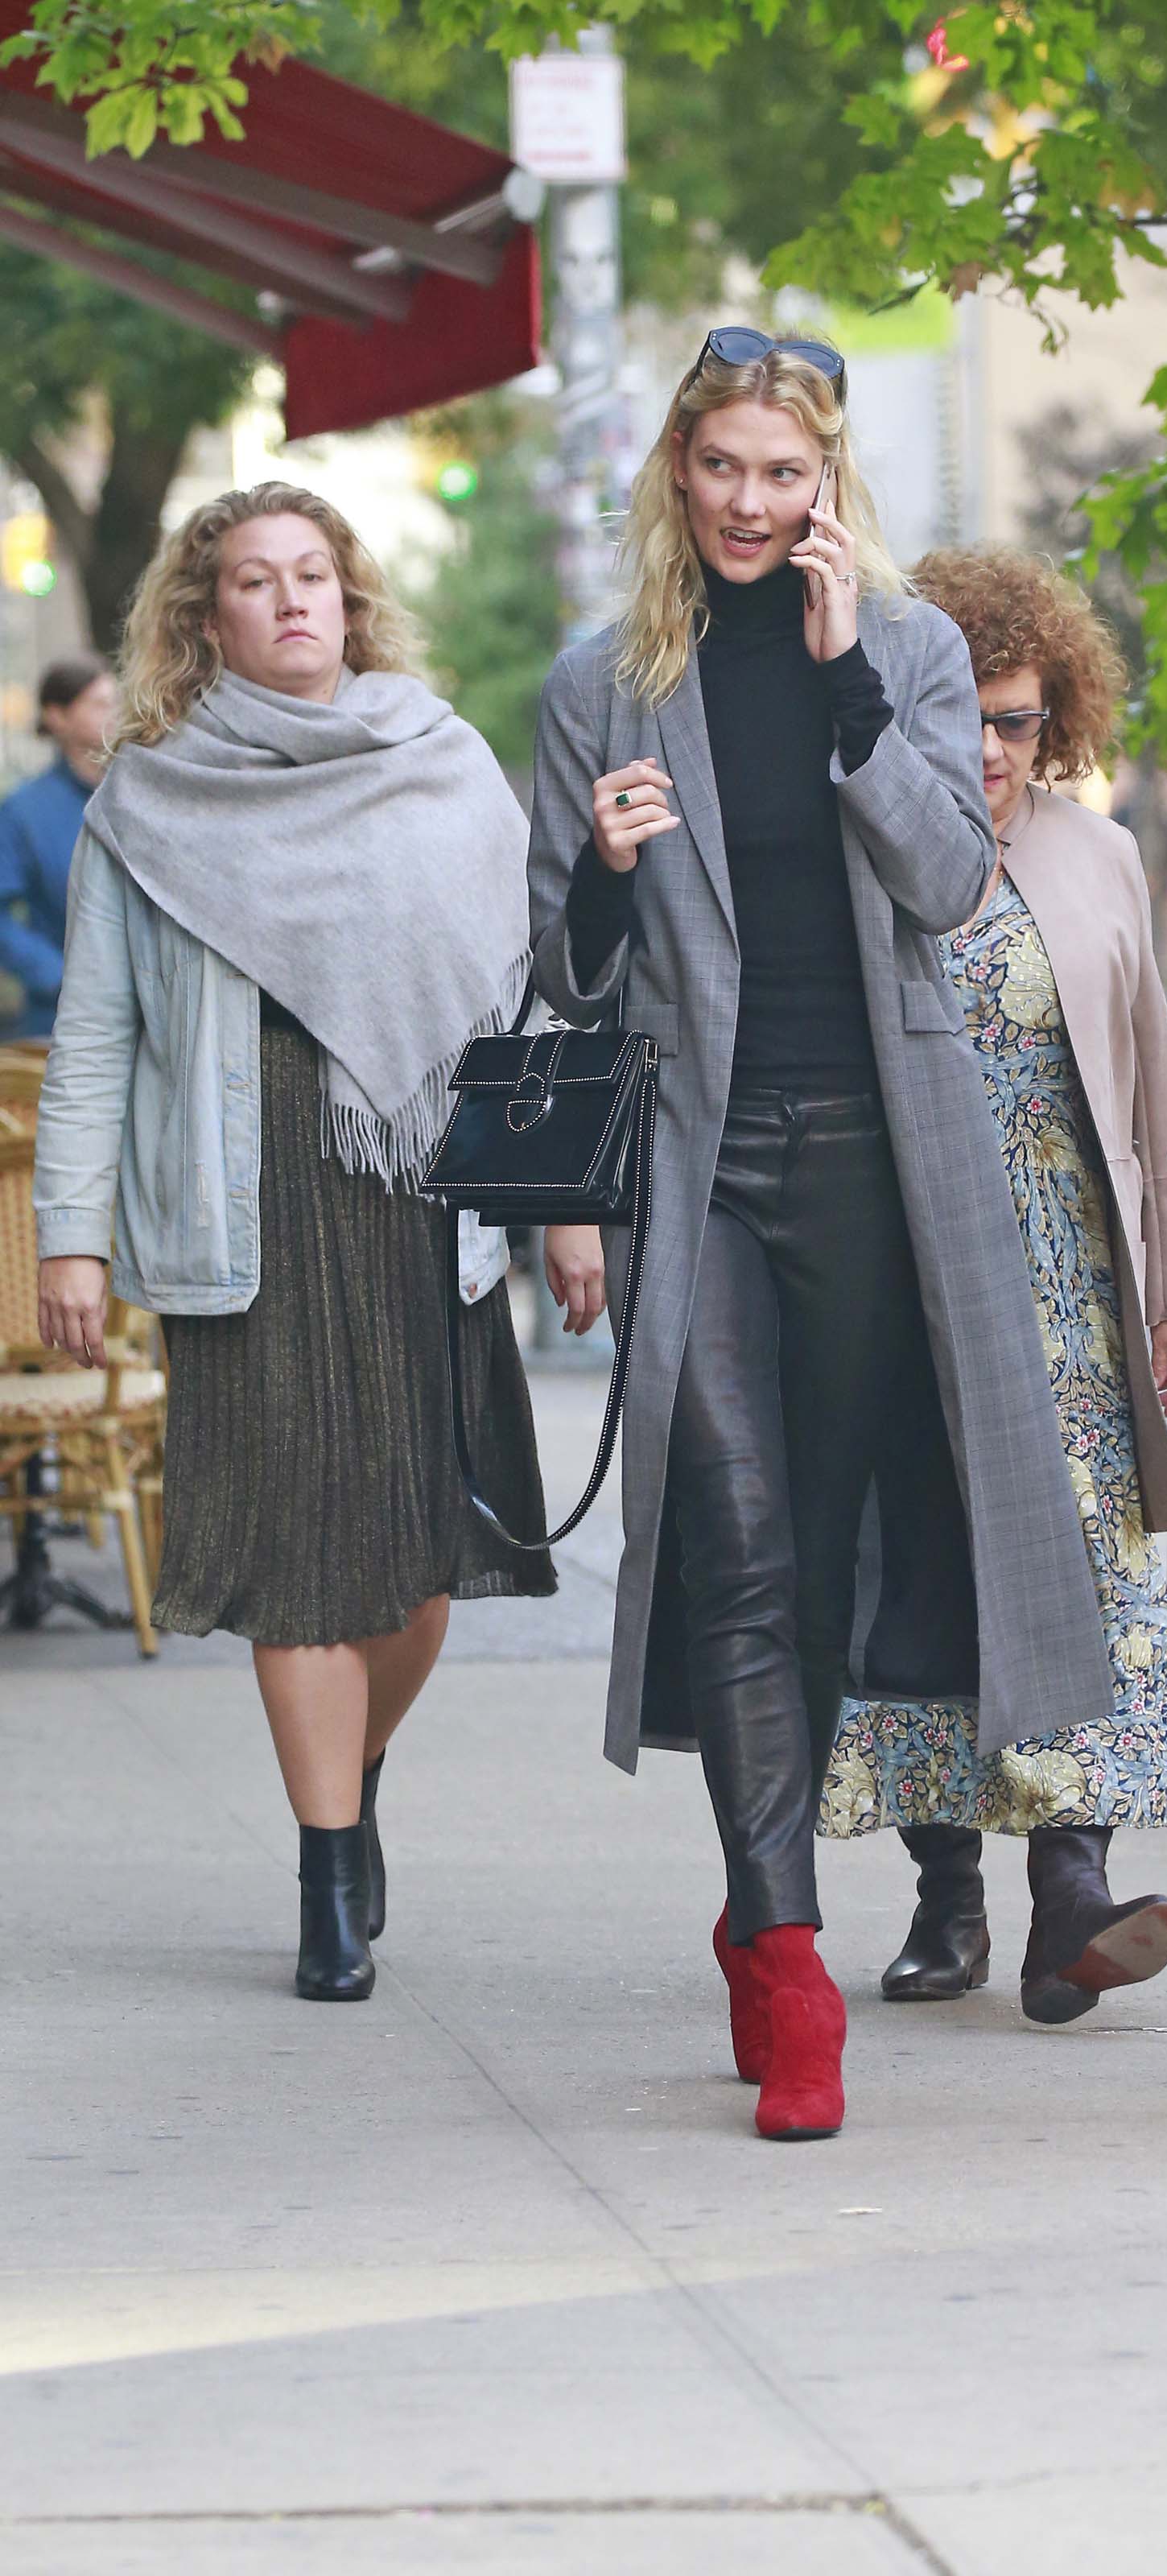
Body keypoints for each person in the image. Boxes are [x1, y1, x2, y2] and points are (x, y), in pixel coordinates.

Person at [526, 330, 1112, 2143]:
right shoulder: (603, 682)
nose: (750, 503)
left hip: (875, 1161)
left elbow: (946, 879)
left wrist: (849, 676)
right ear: (676, 473)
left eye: (783, 474)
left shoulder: (910, 653)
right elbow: (562, 980)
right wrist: (603, 872)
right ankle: (786, 1960)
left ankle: (759, 1886)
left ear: (826, 483)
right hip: (697, 1161)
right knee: (742, 1548)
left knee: (828, 1558)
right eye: (721, 468)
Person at [32, 483, 557, 2003]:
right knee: (299, 1557)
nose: (290, 600)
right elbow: (95, 1036)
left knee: (426, 1565)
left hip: (423, 1192)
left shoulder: (442, 764)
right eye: (254, 581)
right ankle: (329, 1873)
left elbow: (517, 1004)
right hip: (243, 1192)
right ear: (207, 621)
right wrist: (71, 1238)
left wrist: (560, 1208)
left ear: (350, 595)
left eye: (312, 573)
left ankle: (356, 1773)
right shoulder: (150, 799)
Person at [819, 546, 1167, 2025]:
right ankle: (950, 1902)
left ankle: (1071, 1892)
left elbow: (1151, 1091)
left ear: (1055, 721)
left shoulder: (1096, 854)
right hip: (906, 1277)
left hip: (1067, 1286)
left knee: (1089, 1576)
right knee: (925, 1569)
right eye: (965, 716)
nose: (989, 748)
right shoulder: (860, 841)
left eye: (1016, 720)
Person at [0, 655, 118, 1038]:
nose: (115, 713)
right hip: (59, 1022)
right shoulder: (24, 811)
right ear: (57, 716)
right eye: (99, 704)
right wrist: (59, 978)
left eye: (116, 701)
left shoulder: (135, 797)